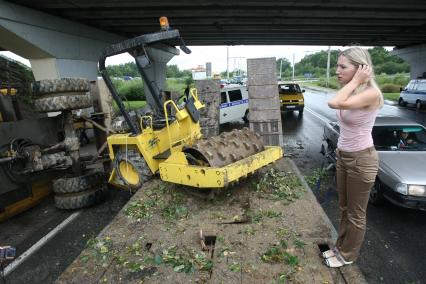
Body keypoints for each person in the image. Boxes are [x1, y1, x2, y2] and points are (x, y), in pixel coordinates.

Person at [324, 47, 383, 268]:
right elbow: (339, 101)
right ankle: (339, 247)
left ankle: (347, 255)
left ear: (360, 69)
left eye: (342, 66)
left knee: (356, 214)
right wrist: (353, 82)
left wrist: (356, 81)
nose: (337, 71)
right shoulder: (352, 91)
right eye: (337, 65)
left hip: (361, 159)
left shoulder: (370, 93)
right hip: (343, 156)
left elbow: (334, 103)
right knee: (344, 208)